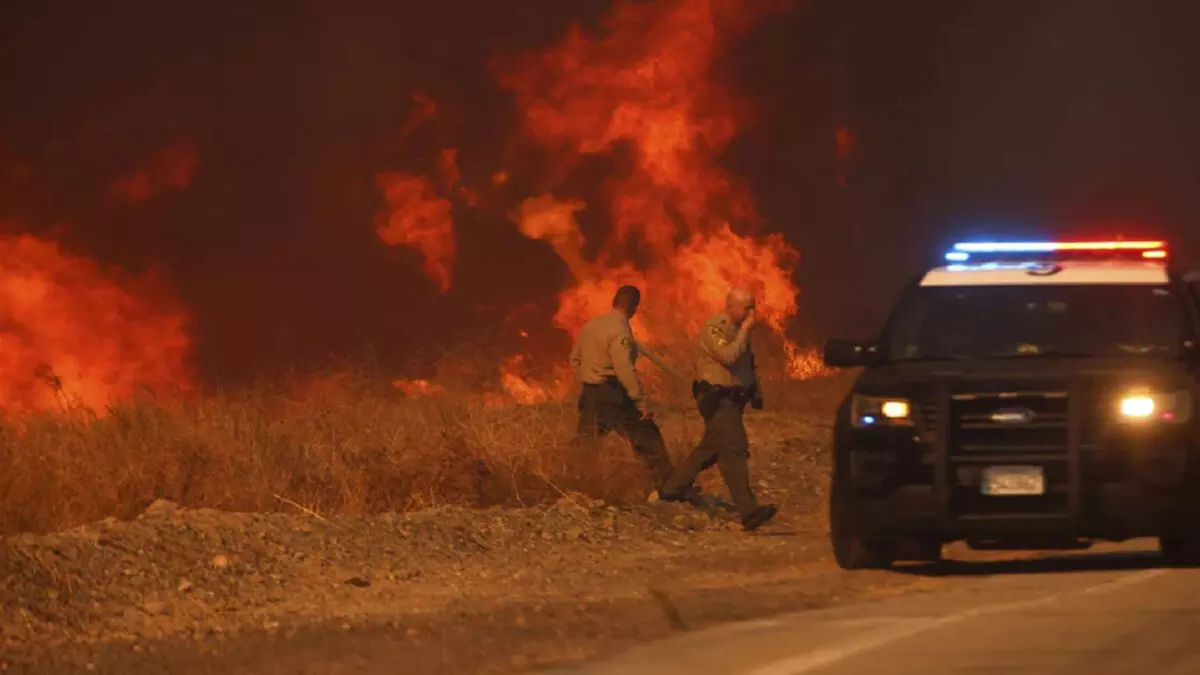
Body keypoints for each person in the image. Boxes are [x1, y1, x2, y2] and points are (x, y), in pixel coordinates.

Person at [659, 287, 778, 531]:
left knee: (711, 448)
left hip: (734, 400)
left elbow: (747, 364)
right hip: (717, 398)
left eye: (753, 307)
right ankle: (749, 511)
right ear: (731, 306)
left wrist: (755, 392)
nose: (752, 313)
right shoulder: (716, 328)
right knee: (734, 448)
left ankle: (671, 489)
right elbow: (729, 356)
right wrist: (744, 330)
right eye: (747, 308)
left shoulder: (740, 332)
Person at [569, 285, 675, 492]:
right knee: (648, 438)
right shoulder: (620, 330)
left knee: (585, 443)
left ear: (613, 302)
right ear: (634, 308)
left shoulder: (592, 325)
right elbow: (624, 369)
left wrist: (588, 380)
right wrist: (640, 400)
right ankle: (669, 488)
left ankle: (573, 486)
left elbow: (575, 358)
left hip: (590, 393)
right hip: (613, 393)